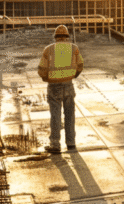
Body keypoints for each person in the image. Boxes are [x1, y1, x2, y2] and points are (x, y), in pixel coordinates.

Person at [38, 25, 84, 153]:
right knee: (70, 115)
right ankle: (71, 143)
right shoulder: (74, 48)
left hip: (54, 87)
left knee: (55, 116)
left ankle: (55, 144)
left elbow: (42, 70)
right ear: (67, 36)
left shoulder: (48, 49)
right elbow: (80, 65)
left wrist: (47, 79)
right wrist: (72, 76)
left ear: (55, 37)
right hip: (69, 85)